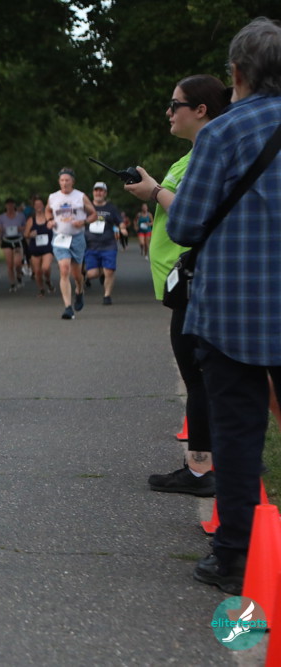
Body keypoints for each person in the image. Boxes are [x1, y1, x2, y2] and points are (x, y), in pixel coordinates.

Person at [161, 18, 281, 594]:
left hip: (236, 308)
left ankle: (235, 557)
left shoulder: (223, 133)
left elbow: (184, 225)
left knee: (237, 433)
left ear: (236, 72)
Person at [124, 75, 231, 508]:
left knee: (199, 376)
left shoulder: (210, 152)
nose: (169, 112)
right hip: (185, 278)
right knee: (200, 375)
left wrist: (154, 191)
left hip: (196, 278)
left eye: (175, 104)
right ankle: (209, 462)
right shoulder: (193, 155)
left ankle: (202, 469)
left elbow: (192, 211)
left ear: (200, 110)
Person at [46, 168, 97, 320]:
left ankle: (79, 290)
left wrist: (84, 221)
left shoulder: (80, 196)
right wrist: (50, 221)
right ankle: (68, 307)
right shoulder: (53, 197)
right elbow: (48, 211)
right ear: (59, 182)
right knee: (64, 269)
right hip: (60, 237)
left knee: (77, 274)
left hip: (77, 238)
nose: (64, 183)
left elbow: (94, 214)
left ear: (72, 182)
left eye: (67, 180)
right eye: (62, 180)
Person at [84, 182, 123, 306]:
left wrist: (123, 228)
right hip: (91, 245)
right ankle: (96, 274)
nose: (98, 193)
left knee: (109, 271)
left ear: (105, 193)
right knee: (92, 274)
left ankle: (107, 295)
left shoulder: (111, 208)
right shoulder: (86, 208)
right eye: (96, 190)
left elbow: (120, 221)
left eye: (101, 191)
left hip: (108, 244)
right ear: (93, 193)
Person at [23, 196, 54, 296]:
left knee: (45, 268)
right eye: (36, 205)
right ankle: (41, 289)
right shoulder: (31, 220)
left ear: (43, 205)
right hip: (35, 248)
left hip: (47, 248)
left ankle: (48, 280)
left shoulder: (49, 218)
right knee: (37, 271)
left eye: (40, 204)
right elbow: (25, 234)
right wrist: (30, 234)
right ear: (34, 207)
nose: (38, 206)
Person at [0, 198, 26, 293]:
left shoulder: (20, 216)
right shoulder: (1, 217)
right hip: (7, 240)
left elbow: (26, 227)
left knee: (17, 263)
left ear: (14, 205)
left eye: (11, 204)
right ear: (6, 206)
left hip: (18, 239)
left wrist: (20, 229)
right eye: (8, 205)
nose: (10, 206)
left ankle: (19, 276)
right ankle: (12, 284)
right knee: (9, 264)